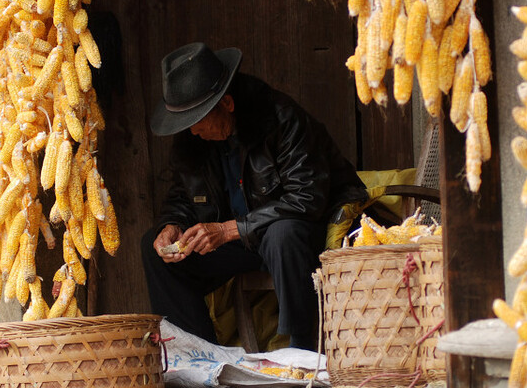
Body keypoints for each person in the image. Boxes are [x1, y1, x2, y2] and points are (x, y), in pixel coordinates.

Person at [141, 42, 366, 350]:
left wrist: (228, 229)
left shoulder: (282, 120)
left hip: (306, 231)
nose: (192, 130)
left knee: (282, 233)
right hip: (242, 241)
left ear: (227, 104)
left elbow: (306, 199)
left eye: (197, 119)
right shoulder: (194, 140)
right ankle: (199, 352)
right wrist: (172, 224)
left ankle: (303, 349)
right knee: (154, 251)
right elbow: (183, 195)